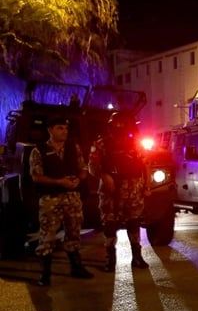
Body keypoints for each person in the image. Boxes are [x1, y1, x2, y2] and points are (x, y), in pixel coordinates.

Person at [29, 116, 94, 286]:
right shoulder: (39, 150)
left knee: (73, 233)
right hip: (51, 199)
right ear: (50, 130)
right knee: (47, 236)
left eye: (65, 128)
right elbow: (36, 177)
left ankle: (76, 267)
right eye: (60, 128)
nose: (64, 132)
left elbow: (83, 168)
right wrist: (59, 182)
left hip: (72, 197)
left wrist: (79, 179)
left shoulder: (73, 147)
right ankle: (45, 274)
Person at [89, 112, 150, 271]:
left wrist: (147, 186)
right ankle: (110, 259)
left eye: (123, 125)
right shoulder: (101, 144)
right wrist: (104, 175)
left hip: (134, 188)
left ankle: (137, 257)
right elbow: (92, 168)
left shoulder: (136, 144)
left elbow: (145, 165)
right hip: (112, 190)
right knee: (110, 224)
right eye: (117, 125)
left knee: (134, 222)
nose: (120, 128)